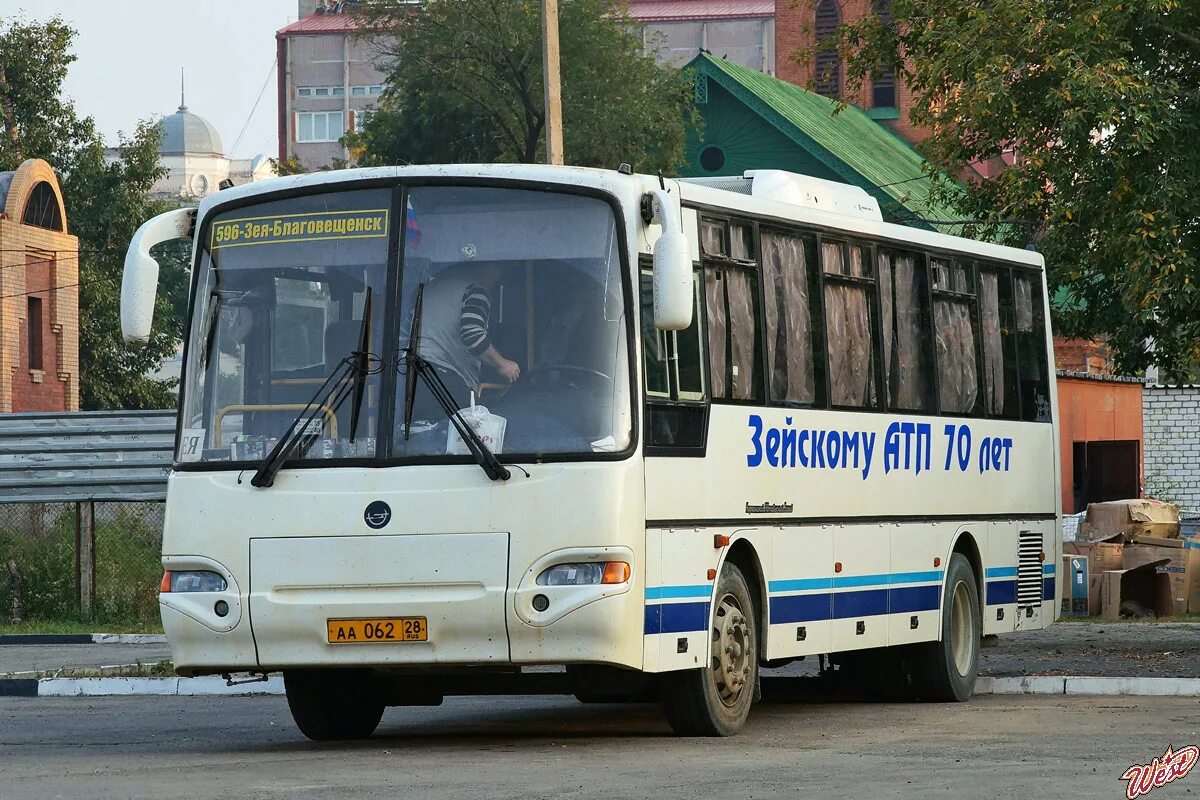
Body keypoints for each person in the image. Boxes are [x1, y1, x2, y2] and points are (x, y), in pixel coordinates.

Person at [409, 262, 520, 421]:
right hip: (440, 376)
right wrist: (502, 364)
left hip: (407, 376)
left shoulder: (428, 288)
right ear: (489, 267)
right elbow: (472, 335)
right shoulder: (476, 290)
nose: (498, 280)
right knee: (475, 426)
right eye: (500, 272)